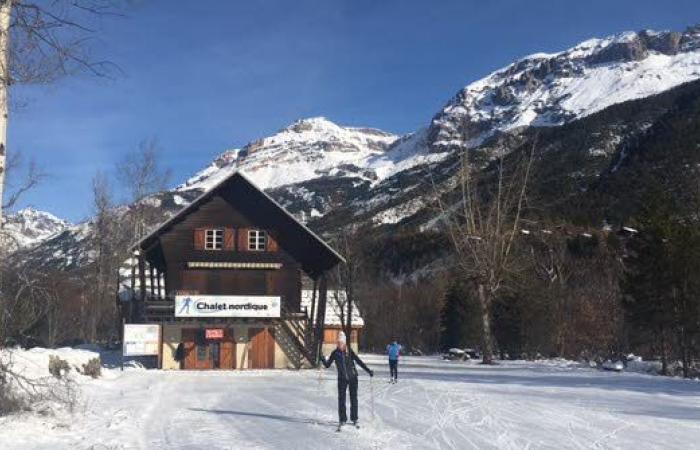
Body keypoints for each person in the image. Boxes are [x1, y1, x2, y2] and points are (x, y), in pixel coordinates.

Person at [321, 331, 373, 430]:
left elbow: (359, 361)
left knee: (354, 398)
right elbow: (327, 365)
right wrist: (323, 359)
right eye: (338, 343)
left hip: (353, 378)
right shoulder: (335, 353)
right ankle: (342, 419)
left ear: (344, 343)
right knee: (341, 399)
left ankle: (354, 418)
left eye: (341, 343)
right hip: (342, 379)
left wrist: (368, 370)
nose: (339, 344)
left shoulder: (349, 352)